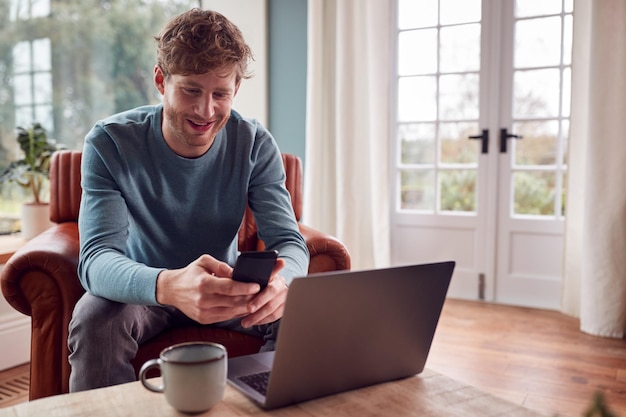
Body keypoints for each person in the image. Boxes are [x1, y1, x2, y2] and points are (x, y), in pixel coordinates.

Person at [68, 8, 309, 392]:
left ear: (235, 90)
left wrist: (286, 284)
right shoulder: (109, 142)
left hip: (228, 291)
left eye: (220, 94)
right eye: (191, 90)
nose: (205, 110)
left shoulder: (255, 144)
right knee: (95, 314)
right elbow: (96, 261)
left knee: (300, 309)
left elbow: (290, 243)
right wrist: (168, 286)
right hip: (145, 289)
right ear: (161, 81)